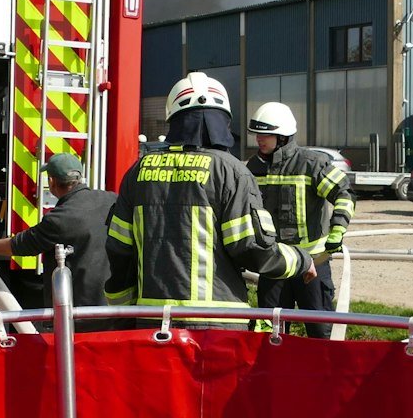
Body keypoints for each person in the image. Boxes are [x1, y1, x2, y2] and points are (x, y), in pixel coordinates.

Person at [105, 73, 312, 325]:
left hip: (152, 320)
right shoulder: (231, 171)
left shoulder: (138, 172)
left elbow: (118, 249)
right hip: (218, 324)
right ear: (223, 120)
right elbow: (251, 249)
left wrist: (126, 312)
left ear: (173, 117)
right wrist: (302, 260)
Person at [246, 102, 354, 336]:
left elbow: (344, 194)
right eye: (257, 134)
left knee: (320, 333)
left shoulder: (312, 164)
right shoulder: (253, 168)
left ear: (283, 136)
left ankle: (323, 373)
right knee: (269, 333)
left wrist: (338, 229)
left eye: (265, 134)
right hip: (274, 266)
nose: (259, 139)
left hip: (313, 265)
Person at [0, 152, 113, 307]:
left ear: (51, 181)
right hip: (116, 306)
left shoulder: (60, 218)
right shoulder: (112, 200)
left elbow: (20, 245)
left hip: (81, 312)